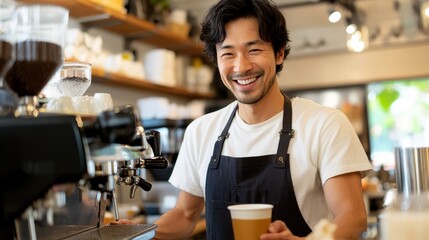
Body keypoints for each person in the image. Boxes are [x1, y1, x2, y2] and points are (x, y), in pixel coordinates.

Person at [115, 0, 372, 239]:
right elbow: (185, 214)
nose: (241, 67)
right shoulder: (201, 131)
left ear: (279, 53)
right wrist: (140, 233)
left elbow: (352, 216)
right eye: (228, 54)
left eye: (254, 49)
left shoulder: (324, 124)